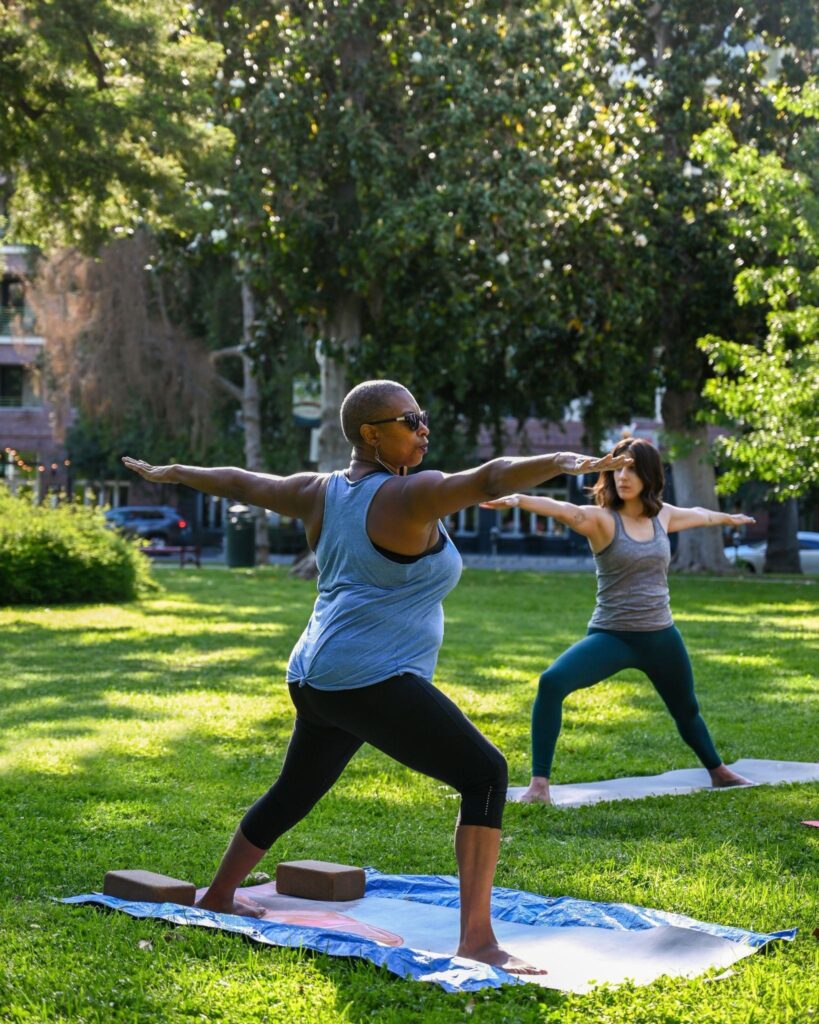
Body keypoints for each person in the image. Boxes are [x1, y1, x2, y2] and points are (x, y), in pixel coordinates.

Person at [123, 379, 630, 973]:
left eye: (423, 417)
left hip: (314, 675)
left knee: (295, 790)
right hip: (368, 675)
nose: (424, 429)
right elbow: (491, 476)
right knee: (486, 773)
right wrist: (565, 461)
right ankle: (478, 942)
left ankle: (218, 896)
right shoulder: (408, 496)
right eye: (410, 420)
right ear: (371, 433)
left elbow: (241, 482)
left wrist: (176, 471)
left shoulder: (318, 492)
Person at [482, 436, 754, 805]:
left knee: (686, 709)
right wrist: (517, 500)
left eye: (632, 468)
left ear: (650, 475)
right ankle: (539, 786)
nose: (623, 476)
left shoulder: (663, 516)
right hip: (613, 636)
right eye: (617, 468)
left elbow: (699, 514)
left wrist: (728, 518)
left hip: (660, 636)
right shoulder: (601, 520)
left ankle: (719, 772)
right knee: (551, 683)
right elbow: (562, 509)